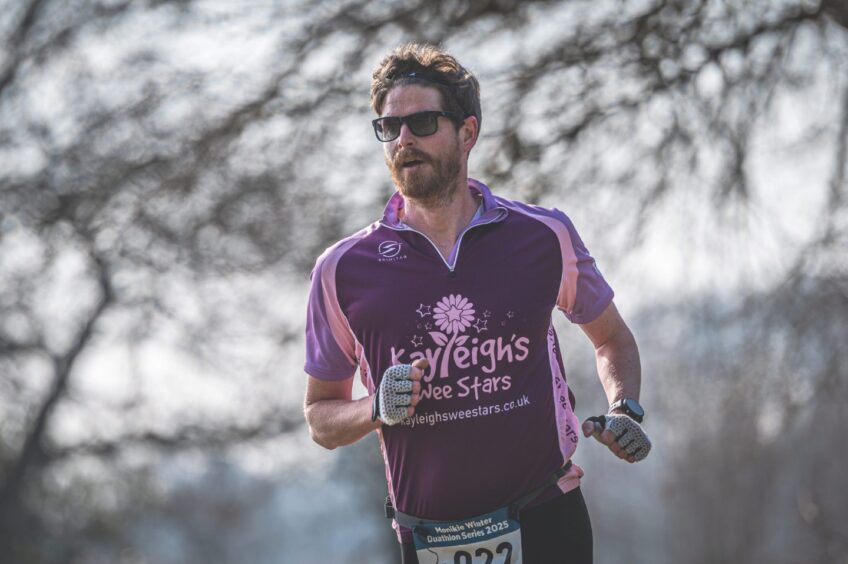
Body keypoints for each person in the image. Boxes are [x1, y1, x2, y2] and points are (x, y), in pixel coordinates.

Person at [303, 42, 651, 564]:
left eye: (422, 123)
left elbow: (612, 339)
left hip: (547, 519)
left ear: (468, 133)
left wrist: (625, 406)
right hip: (429, 540)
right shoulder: (343, 268)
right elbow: (320, 417)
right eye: (388, 127)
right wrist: (373, 408)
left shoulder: (542, 236)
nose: (403, 139)